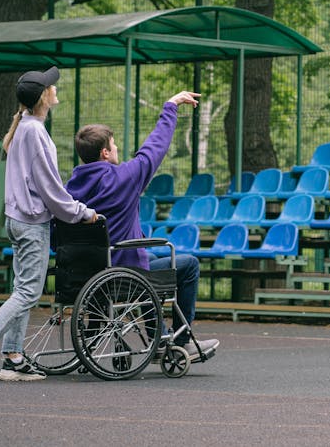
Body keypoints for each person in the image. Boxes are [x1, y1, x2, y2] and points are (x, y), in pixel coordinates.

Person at [0, 66, 98, 382]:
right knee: (28, 293)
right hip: (32, 223)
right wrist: (80, 212)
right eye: (51, 86)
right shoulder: (34, 132)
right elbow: (49, 186)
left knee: (23, 289)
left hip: (17, 219)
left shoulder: (25, 127)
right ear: (44, 97)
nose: (55, 88)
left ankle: (14, 357)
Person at [65, 90, 219, 361]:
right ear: (104, 153)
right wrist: (170, 106)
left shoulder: (68, 190)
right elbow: (154, 148)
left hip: (84, 273)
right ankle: (182, 340)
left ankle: (157, 335)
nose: (117, 150)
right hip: (122, 271)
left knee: (151, 257)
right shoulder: (122, 178)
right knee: (187, 264)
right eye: (113, 145)